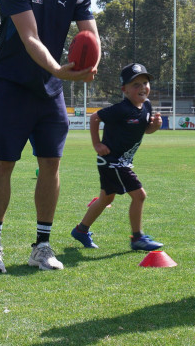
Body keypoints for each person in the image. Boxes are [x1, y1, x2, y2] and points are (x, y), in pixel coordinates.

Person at [0, 0, 100, 274]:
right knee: (5, 163)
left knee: (51, 163)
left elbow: (91, 35)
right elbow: (29, 36)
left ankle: (42, 246)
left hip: (49, 90)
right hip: (12, 85)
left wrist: (92, 62)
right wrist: (59, 69)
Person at [71, 63, 164, 251]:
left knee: (106, 199)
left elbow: (145, 130)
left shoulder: (146, 106)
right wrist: (97, 144)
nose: (142, 87)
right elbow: (94, 117)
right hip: (113, 162)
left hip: (120, 162)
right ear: (125, 90)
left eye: (145, 83)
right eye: (135, 84)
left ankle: (81, 230)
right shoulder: (121, 109)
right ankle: (137, 238)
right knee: (139, 196)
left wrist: (155, 126)